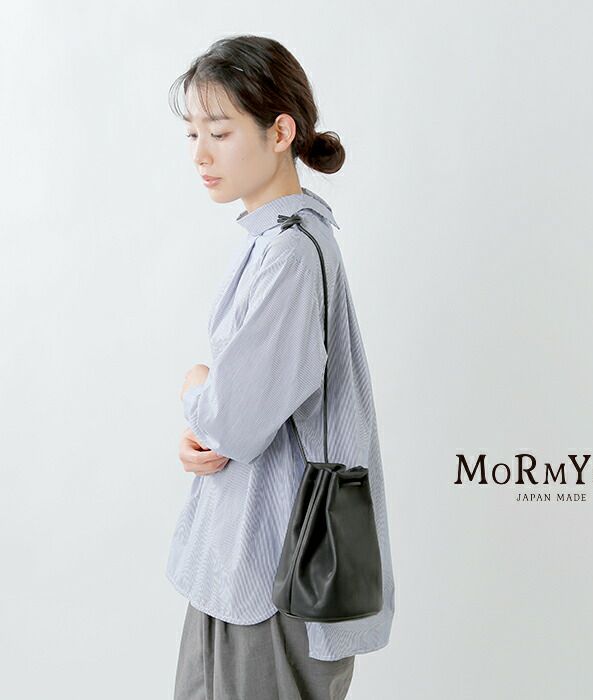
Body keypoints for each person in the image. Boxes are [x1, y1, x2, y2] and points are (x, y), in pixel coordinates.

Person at [165, 35, 395, 700]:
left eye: (220, 131)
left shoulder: (291, 253)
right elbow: (238, 416)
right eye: (193, 134)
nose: (201, 154)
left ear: (280, 132)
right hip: (246, 562)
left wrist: (195, 385)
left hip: (270, 576)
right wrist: (207, 419)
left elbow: (234, 423)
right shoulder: (276, 240)